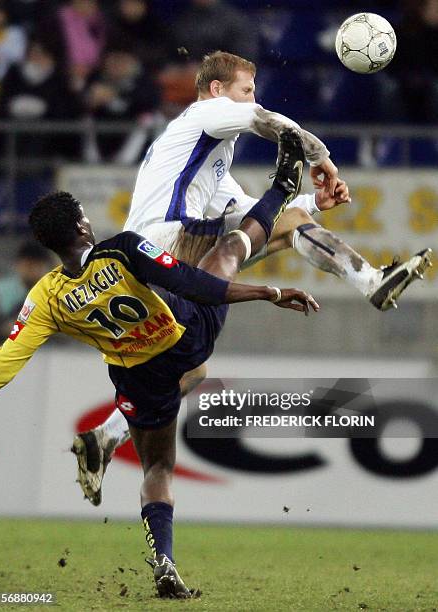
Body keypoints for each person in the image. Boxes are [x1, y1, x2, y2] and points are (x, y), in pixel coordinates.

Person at [73, 49, 432, 507]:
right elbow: (267, 121)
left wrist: (316, 202)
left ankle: (104, 437)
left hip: (165, 259)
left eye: (254, 90)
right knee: (278, 230)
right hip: (163, 251)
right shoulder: (205, 113)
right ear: (219, 90)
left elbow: (255, 214)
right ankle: (368, 279)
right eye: (246, 89)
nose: (252, 98)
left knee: (195, 369)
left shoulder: (208, 163)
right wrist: (320, 156)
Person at [0, 132, 319, 597]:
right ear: (83, 227)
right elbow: (191, 283)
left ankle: (164, 560)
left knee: (158, 468)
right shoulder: (123, 249)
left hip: (137, 376)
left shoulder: (45, 297)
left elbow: (3, 365)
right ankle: (282, 187)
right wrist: (266, 292)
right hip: (184, 337)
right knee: (228, 250)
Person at [0, 241, 52, 343]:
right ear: (18, 264)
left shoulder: (53, 292)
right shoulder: (0, 290)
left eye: (37, 265)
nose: (33, 269)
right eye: (28, 265)